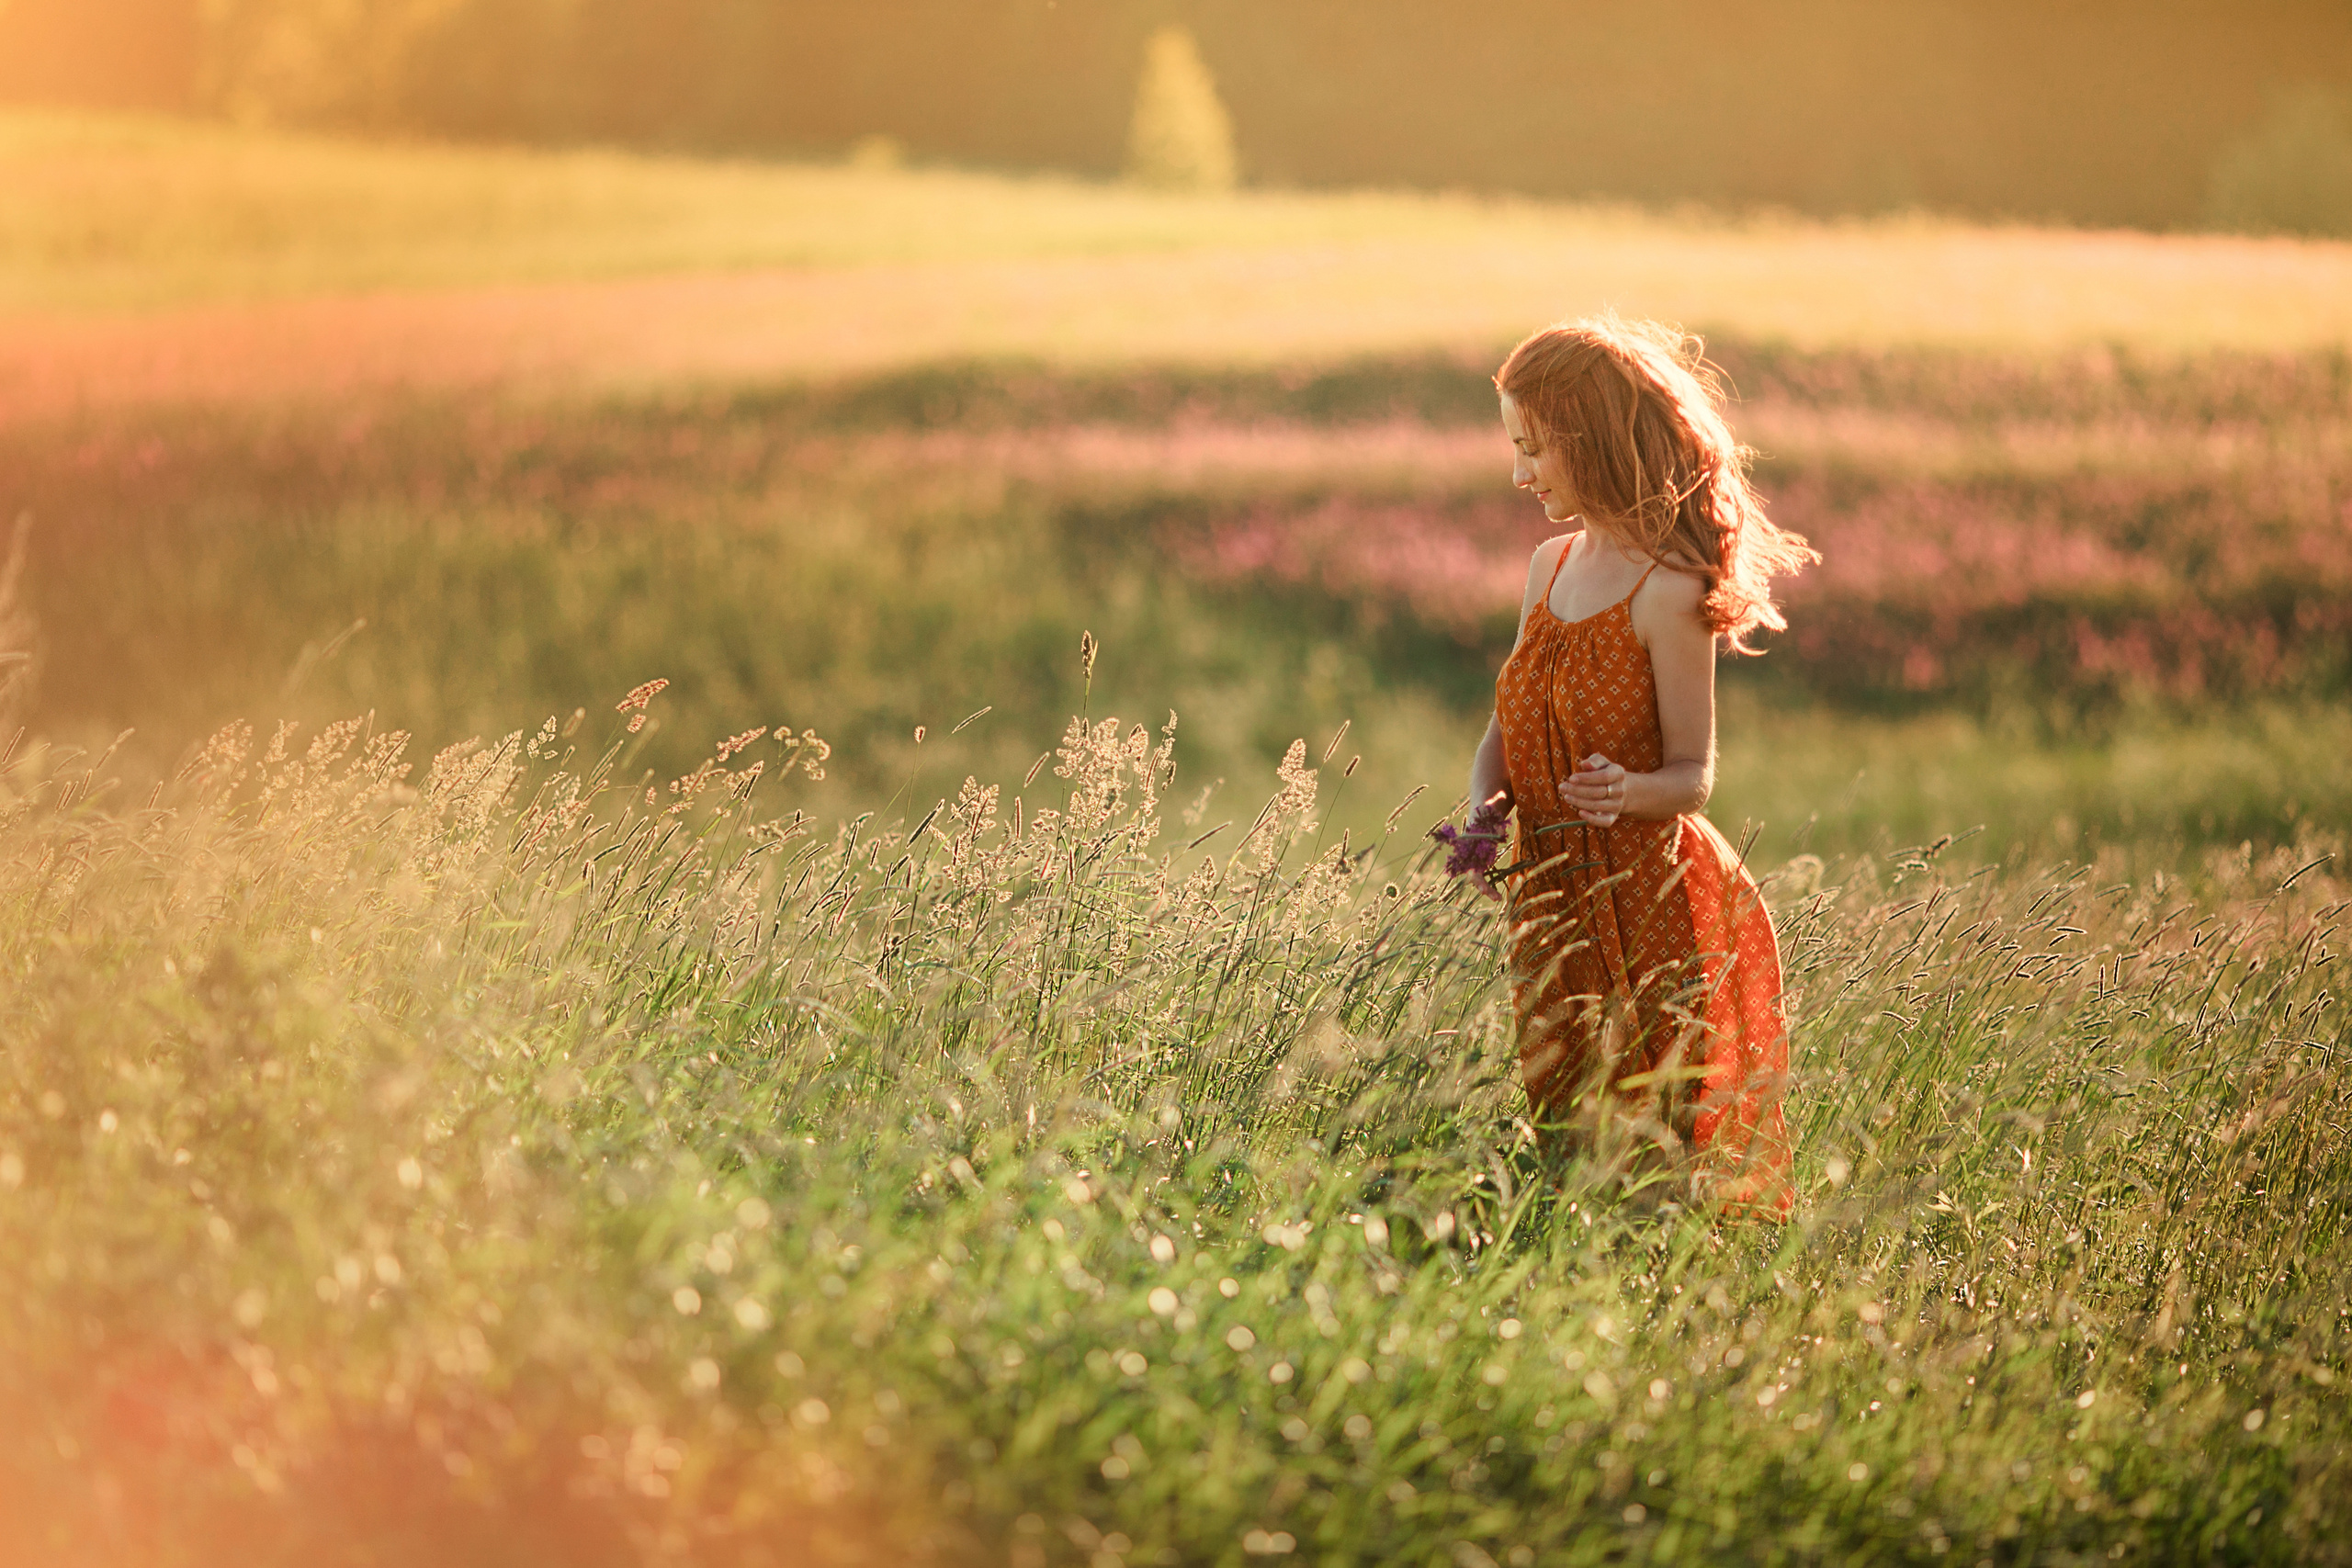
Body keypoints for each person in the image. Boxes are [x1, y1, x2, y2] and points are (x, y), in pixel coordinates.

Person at [1451, 315, 1817, 1220]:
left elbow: (1693, 777)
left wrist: (1628, 792)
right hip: (1548, 897)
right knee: (1566, 1126)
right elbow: (1509, 717)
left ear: (1590, 441)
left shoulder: (1669, 591)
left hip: (1642, 905)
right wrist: (1480, 809)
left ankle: (1671, 1299)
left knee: (1654, 1132)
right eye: (1513, 448)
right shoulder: (1546, 568)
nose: (1518, 473)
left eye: (1533, 448)